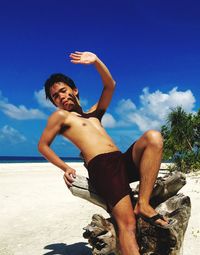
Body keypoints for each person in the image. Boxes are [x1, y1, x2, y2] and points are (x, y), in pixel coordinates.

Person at [38, 51, 172, 255]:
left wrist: (96, 61)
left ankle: (143, 204)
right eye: (56, 96)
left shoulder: (94, 114)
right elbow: (43, 146)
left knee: (153, 137)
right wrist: (65, 167)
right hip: (103, 167)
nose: (61, 97)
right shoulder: (61, 117)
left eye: (64, 91)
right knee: (126, 225)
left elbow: (110, 85)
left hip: (121, 161)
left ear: (74, 90)